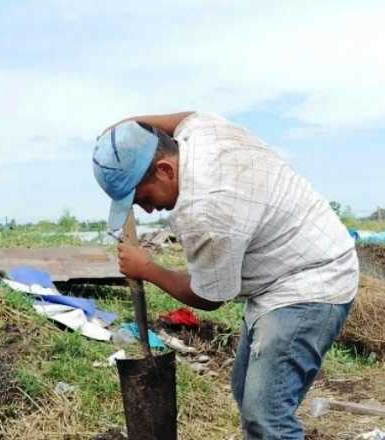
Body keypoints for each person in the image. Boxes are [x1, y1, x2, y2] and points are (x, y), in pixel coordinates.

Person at [92, 112, 358, 439]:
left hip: (312, 282)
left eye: (143, 198)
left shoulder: (205, 212)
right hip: (284, 266)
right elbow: (183, 117)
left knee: (266, 415)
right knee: (245, 390)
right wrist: (127, 126)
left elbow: (209, 297)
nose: (146, 210)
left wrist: (147, 269)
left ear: (165, 170)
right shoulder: (201, 133)